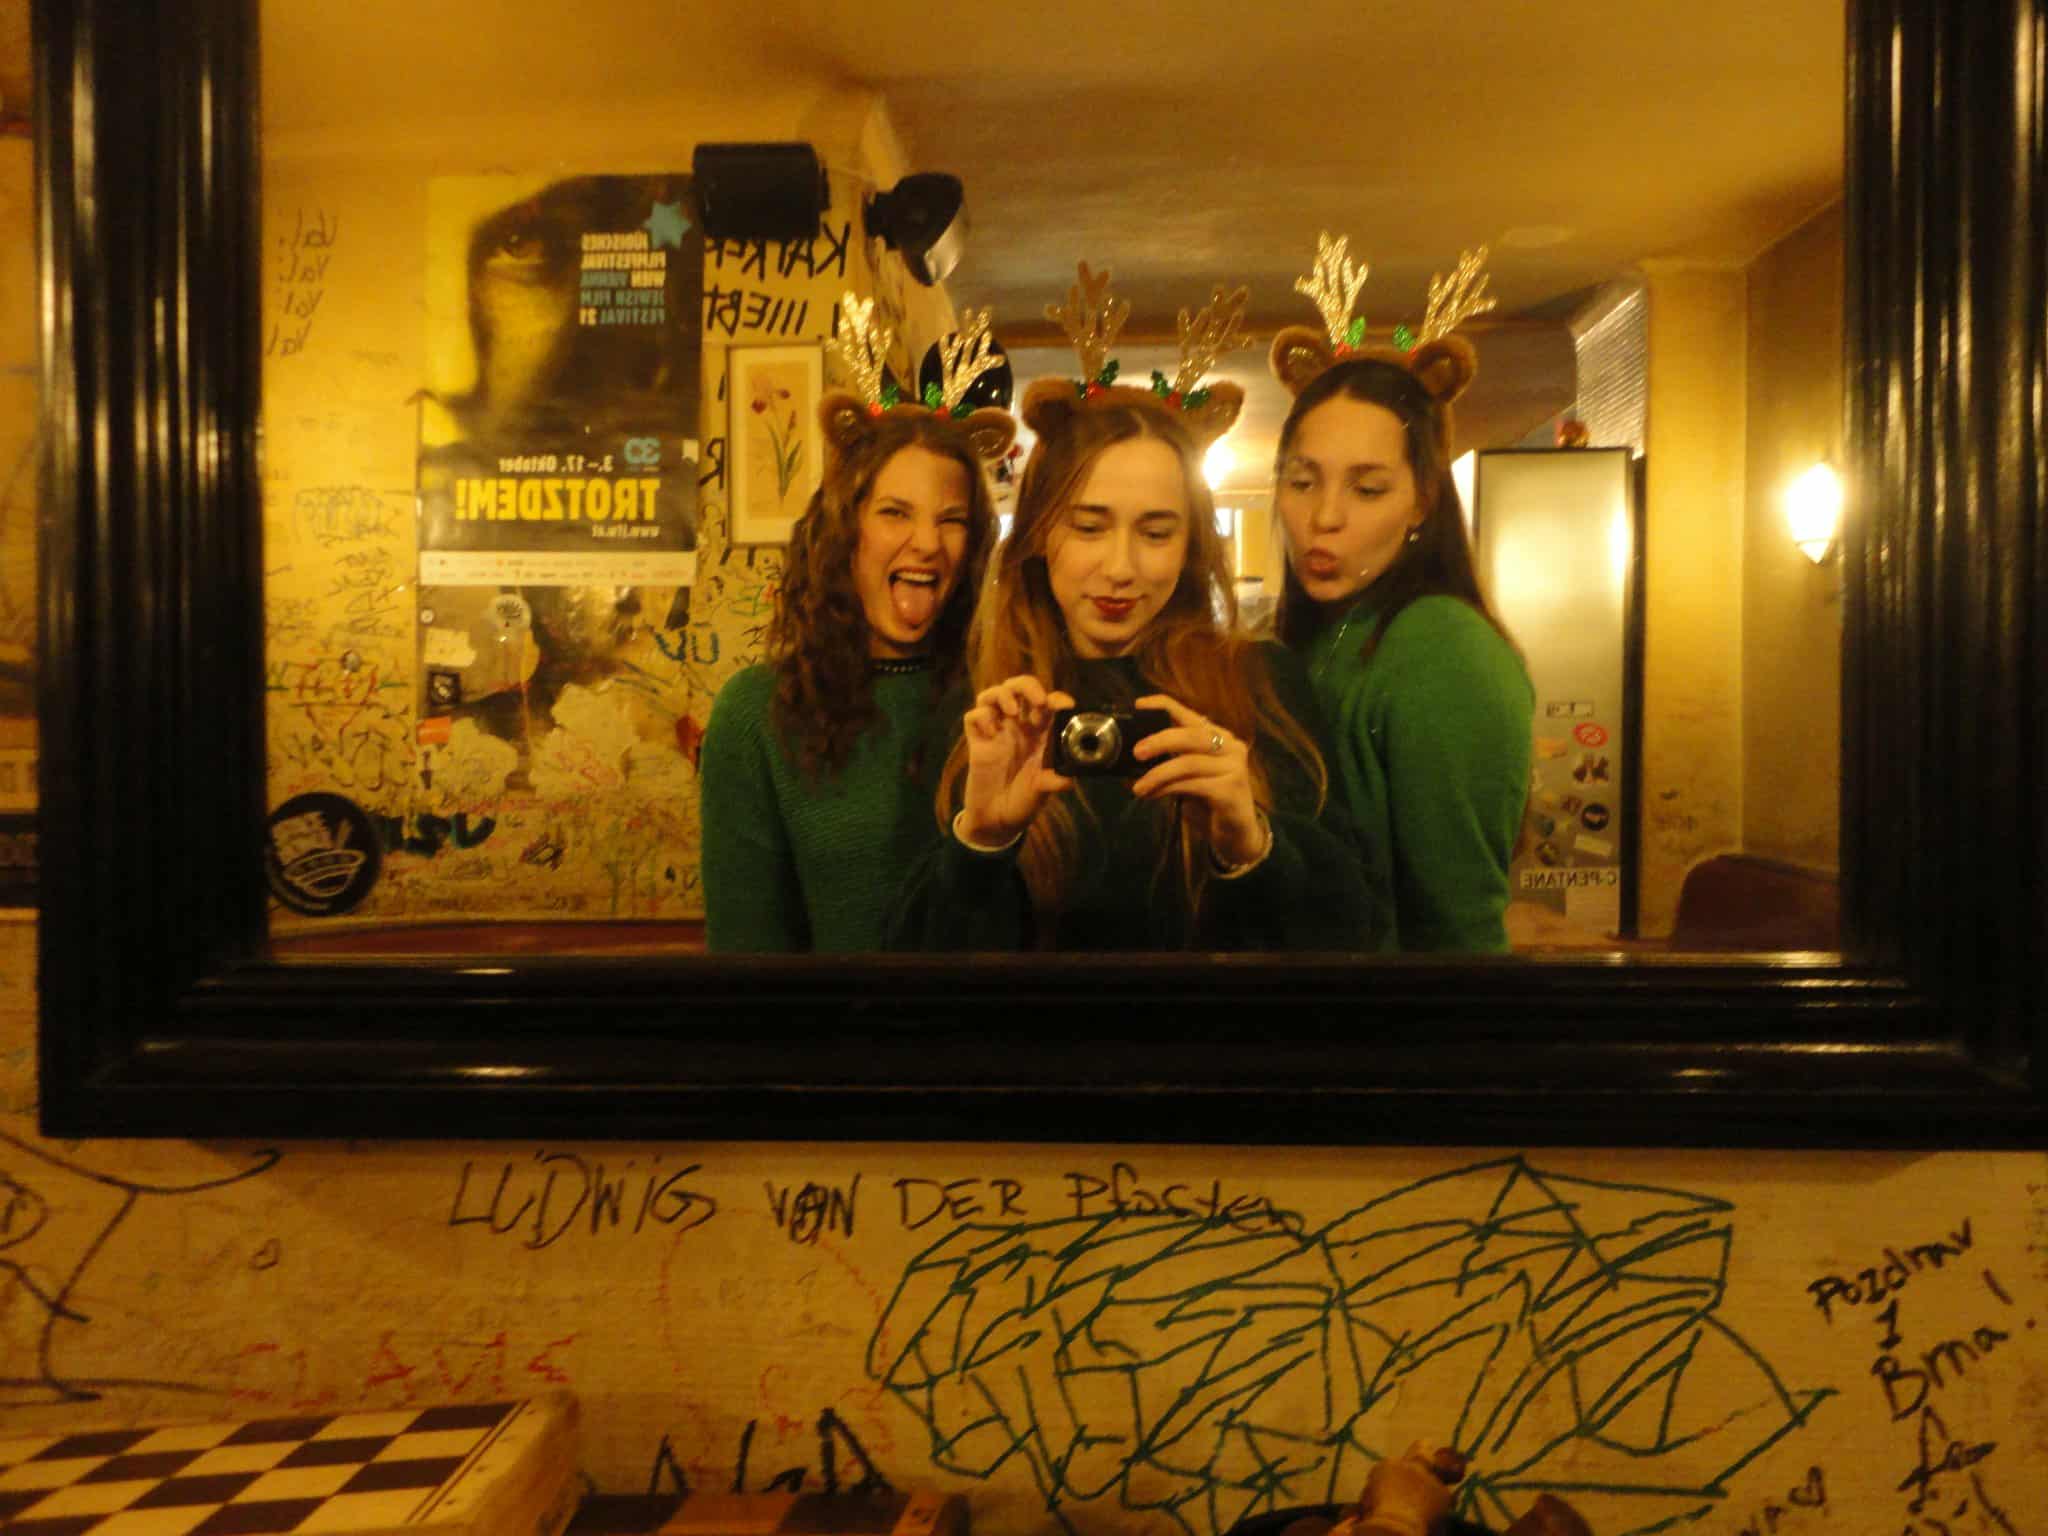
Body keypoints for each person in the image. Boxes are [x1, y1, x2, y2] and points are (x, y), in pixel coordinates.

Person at [888, 269, 1376, 952]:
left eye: (1155, 532)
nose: (1121, 567)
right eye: (1089, 527)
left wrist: (1252, 843)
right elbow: (912, 961)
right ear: (1040, 535)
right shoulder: (986, 711)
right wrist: (982, 842)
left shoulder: (1259, 685)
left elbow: (1354, 933)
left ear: (1191, 546)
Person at [699, 299, 1015, 951]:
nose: (927, 543)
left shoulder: (1004, 699)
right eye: (896, 513)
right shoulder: (757, 714)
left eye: (951, 520)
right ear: (845, 529)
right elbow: (745, 962)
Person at [1267, 237, 1534, 953]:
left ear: (1422, 501)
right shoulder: (1320, 632)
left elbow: (1460, 925)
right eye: (1302, 481)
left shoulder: (1442, 648)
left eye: (1367, 488)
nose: (1324, 516)